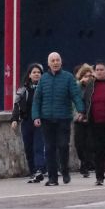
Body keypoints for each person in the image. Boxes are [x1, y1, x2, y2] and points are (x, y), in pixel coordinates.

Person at [32, 51, 84, 186]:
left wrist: (81, 110)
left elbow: (76, 95)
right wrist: (36, 116)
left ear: (61, 62)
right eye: (52, 61)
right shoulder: (43, 79)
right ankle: (52, 178)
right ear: (48, 64)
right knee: (49, 148)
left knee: (62, 146)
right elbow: (37, 100)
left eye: (57, 60)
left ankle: (65, 170)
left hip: (63, 118)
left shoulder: (68, 78)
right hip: (46, 119)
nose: (55, 62)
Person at [10, 63, 47, 183]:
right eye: (34, 72)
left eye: (39, 72)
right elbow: (16, 106)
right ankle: (33, 172)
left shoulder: (45, 88)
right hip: (26, 122)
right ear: (29, 75)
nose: (36, 74)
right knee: (28, 148)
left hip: (40, 122)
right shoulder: (22, 90)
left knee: (38, 146)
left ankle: (39, 170)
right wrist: (14, 119)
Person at [73, 64, 94, 176]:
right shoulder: (76, 87)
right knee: (79, 144)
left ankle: (85, 165)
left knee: (89, 144)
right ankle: (83, 160)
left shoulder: (95, 88)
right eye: (86, 76)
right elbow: (73, 103)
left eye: (90, 76)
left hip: (91, 119)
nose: (88, 78)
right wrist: (76, 115)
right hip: (79, 119)